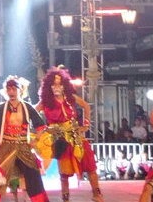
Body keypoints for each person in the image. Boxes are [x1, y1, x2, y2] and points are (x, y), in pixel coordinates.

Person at [34, 66, 104, 202]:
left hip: (76, 136)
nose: (57, 87)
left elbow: (86, 106)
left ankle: (97, 194)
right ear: (49, 86)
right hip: (59, 139)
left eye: (59, 84)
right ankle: (66, 199)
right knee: (64, 173)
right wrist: (41, 128)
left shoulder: (70, 97)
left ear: (64, 85)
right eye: (54, 85)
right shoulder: (45, 102)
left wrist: (86, 124)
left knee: (90, 166)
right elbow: (32, 112)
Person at [0, 76, 48, 202]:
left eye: (14, 89)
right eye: (8, 89)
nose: (11, 92)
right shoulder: (0, 108)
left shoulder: (27, 108)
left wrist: (35, 140)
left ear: (20, 90)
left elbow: (40, 125)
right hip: (5, 147)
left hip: (23, 147)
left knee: (33, 175)